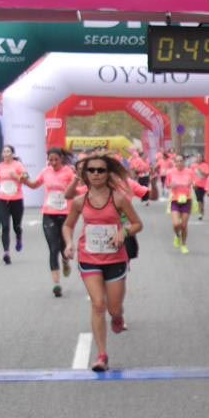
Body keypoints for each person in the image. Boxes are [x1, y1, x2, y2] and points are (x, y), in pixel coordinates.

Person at [61, 154, 143, 372]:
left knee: (113, 308)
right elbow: (68, 225)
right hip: (89, 257)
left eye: (101, 170)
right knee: (98, 304)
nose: (96, 174)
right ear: (85, 175)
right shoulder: (80, 201)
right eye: (92, 170)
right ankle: (101, 355)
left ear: (108, 174)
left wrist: (123, 232)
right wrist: (69, 244)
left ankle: (118, 316)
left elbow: (137, 224)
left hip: (115, 258)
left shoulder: (118, 198)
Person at [25, 148, 77, 297]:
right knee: (53, 248)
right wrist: (24, 180)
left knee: (62, 248)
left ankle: (66, 261)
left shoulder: (69, 172)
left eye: (56, 159)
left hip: (65, 214)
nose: (53, 163)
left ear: (61, 159)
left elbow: (77, 188)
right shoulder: (46, 171)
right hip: (49, 213)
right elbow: (35, 185)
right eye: (50, 160)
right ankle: (56, 284)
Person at [0, 145, 28, 266]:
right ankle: (6, 253)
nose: (6, 153)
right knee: (5, 226)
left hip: (16, 199)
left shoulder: (18, 165)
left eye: (8, 151)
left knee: (16, 226)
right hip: (2, 198)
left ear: (12, 154)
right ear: (2, 154)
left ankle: (19, 236)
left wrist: (17, 176)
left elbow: (26, 177)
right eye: (4, 151)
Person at [165, 153, 196, 254]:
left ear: (184, 162)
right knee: (176, 224)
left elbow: (194, 184)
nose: (179, 163)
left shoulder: (189, 172)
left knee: (183, 225)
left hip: (187, 200)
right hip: (175, 200)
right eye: (177, 161)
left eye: (181, 161)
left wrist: (191, 184)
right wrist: (171, 185)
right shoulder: (170, 172)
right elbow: (167, 185)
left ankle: (183, 244)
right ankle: (177, 236)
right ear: (175, 162)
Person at [191, 155, 209, 221]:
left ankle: (201, 210)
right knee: (199, 199)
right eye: (197, 157)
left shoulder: (205, 165)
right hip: (196, 185)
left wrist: (201, 171)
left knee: (201, 198)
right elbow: (191, 175)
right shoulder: (193, 166)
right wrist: (192, 183)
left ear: (202, 158)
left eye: (200, 157)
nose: (199, 158)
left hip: (204, 185)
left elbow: (207, 174)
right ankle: (200, 213)